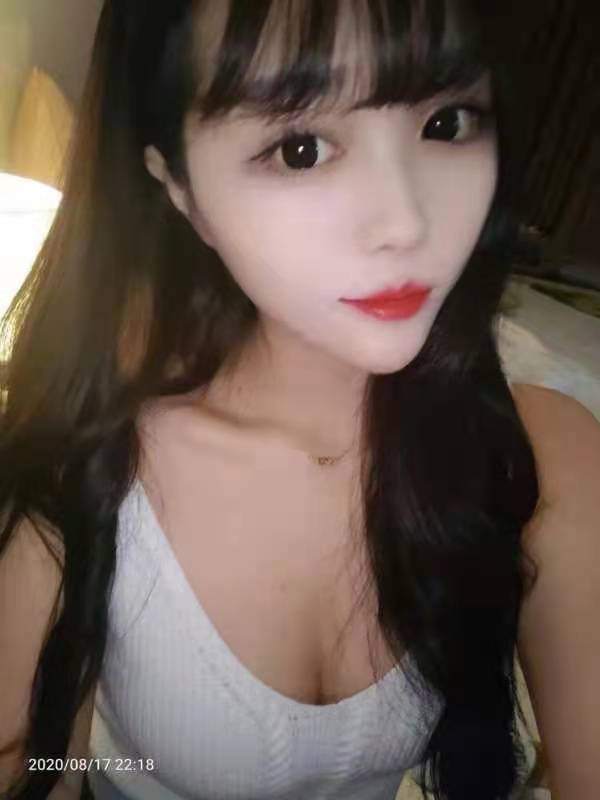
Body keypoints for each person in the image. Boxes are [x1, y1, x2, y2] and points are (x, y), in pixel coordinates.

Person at [1, 1, 599, 799]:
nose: (404, 223)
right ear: (179, 188)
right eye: (301, 149)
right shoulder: (81, 477)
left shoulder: (543, 454)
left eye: (447, 123)